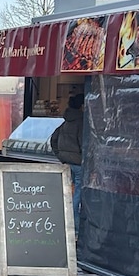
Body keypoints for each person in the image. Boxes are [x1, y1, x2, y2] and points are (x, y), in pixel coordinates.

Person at [50, 92, 85, 228]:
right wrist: (85, 158)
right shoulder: (81, 122)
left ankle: (64, 222)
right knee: (77, 194)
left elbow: (53, 139)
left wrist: (60, 155)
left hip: (66, 162)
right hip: (78, 163)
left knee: (68, 191)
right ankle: (74, 226)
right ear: (82, 106)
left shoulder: (65, 122)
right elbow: (83, 143)